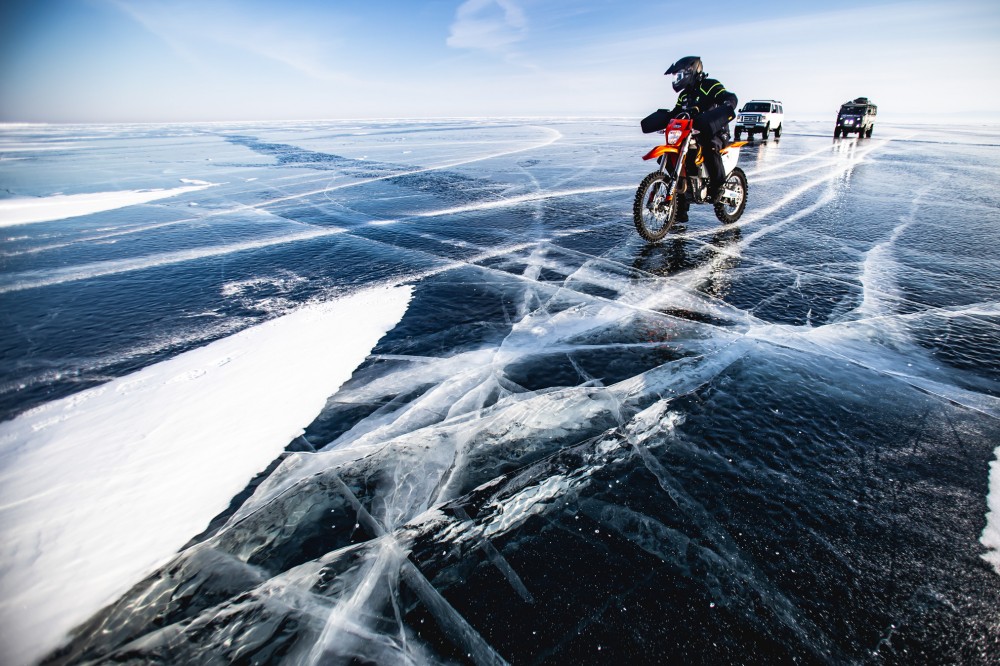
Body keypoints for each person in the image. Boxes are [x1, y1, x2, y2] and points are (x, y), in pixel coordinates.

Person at [640, 56, 738, 221]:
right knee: (674, 158)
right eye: (675, 77)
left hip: (714, 132)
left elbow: (726, 96)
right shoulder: (684, 95)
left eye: (679, 75)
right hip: (689, 134)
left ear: (691, 72)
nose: (677, 79)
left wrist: (728, 104)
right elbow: (675, 112)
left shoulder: (709, 85)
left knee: (709, 147)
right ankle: (680, 209)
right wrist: (662, 119)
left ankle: (718, 187)